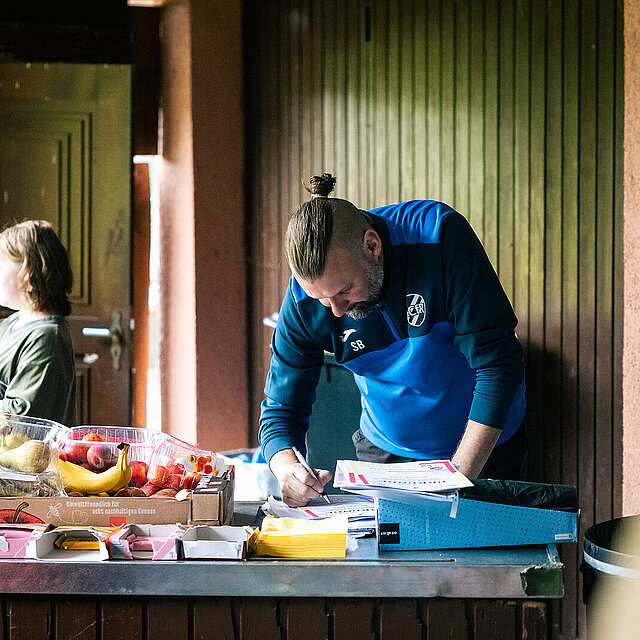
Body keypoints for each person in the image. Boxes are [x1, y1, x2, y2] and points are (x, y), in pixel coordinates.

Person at [259, 173, 527, 507]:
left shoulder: (438, 237)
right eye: (323, 299)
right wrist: (287, 470)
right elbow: (280, 411)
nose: (336, 310)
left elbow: (498, 365)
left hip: (484, 447)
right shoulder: (304, 299)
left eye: (344, 291)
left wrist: (458, 479)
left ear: (372, 245)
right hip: (386, 453)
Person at [0, 220, 76, 426]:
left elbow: (19, 417)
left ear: (27, 270)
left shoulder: (46, 338)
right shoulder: (12, 322)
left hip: (24, 455)